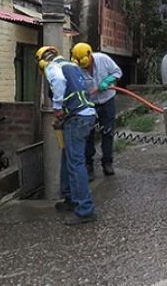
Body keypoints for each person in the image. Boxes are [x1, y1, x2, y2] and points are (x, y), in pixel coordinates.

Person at [36, 47, 97, 225]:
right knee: (69, 157)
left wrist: (57, 107)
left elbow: (59, 82)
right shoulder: (71, 65)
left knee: (76, 163)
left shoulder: (52, 67)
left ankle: (85, 210)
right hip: (88, 115)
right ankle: (70, 198)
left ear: (42, 61)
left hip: (76, 118)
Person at [71, 42, 122, 178]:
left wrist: (107, 81)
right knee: (88, 134)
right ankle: (88, 165)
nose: (86, 68)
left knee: (108, 132)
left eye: (87, 65)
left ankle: (107, 162)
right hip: (89, 103)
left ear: (90, 56)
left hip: (107, 100)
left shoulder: (103, 59)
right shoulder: (76, 68)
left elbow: (118, 72)